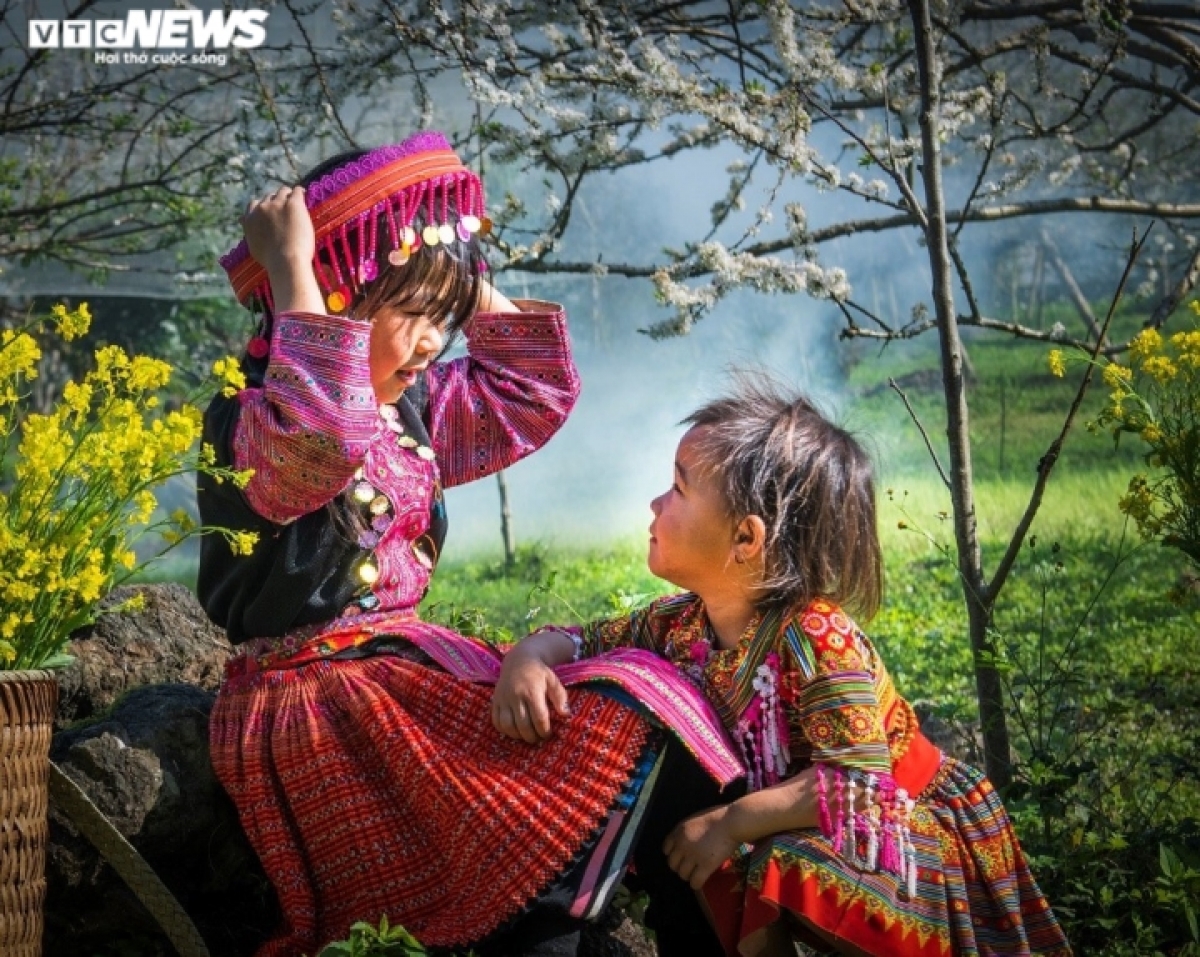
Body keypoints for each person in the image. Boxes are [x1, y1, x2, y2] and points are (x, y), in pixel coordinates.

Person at [199, 131, 684, 957]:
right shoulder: (260, 417)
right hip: (326, 704)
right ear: (340, 294)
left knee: (632, 702)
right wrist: (296, 278)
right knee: (533, 835)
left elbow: (529, 392)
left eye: (443, 321)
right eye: (413, 315)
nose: (432, 342)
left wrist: (448, 257)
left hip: (398, 678)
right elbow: (326, 437)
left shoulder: (409, 406)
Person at [492, 378, 1073, 957]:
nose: (654, 504)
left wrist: (730, 823)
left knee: (759, 858)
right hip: (809, 826)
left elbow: (858, 784)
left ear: (745, 537)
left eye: (677, 488)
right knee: (719, 857)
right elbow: (580, 639)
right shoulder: (681, 624)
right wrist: (528, 658)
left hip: (906, 829)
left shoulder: (816, 636)